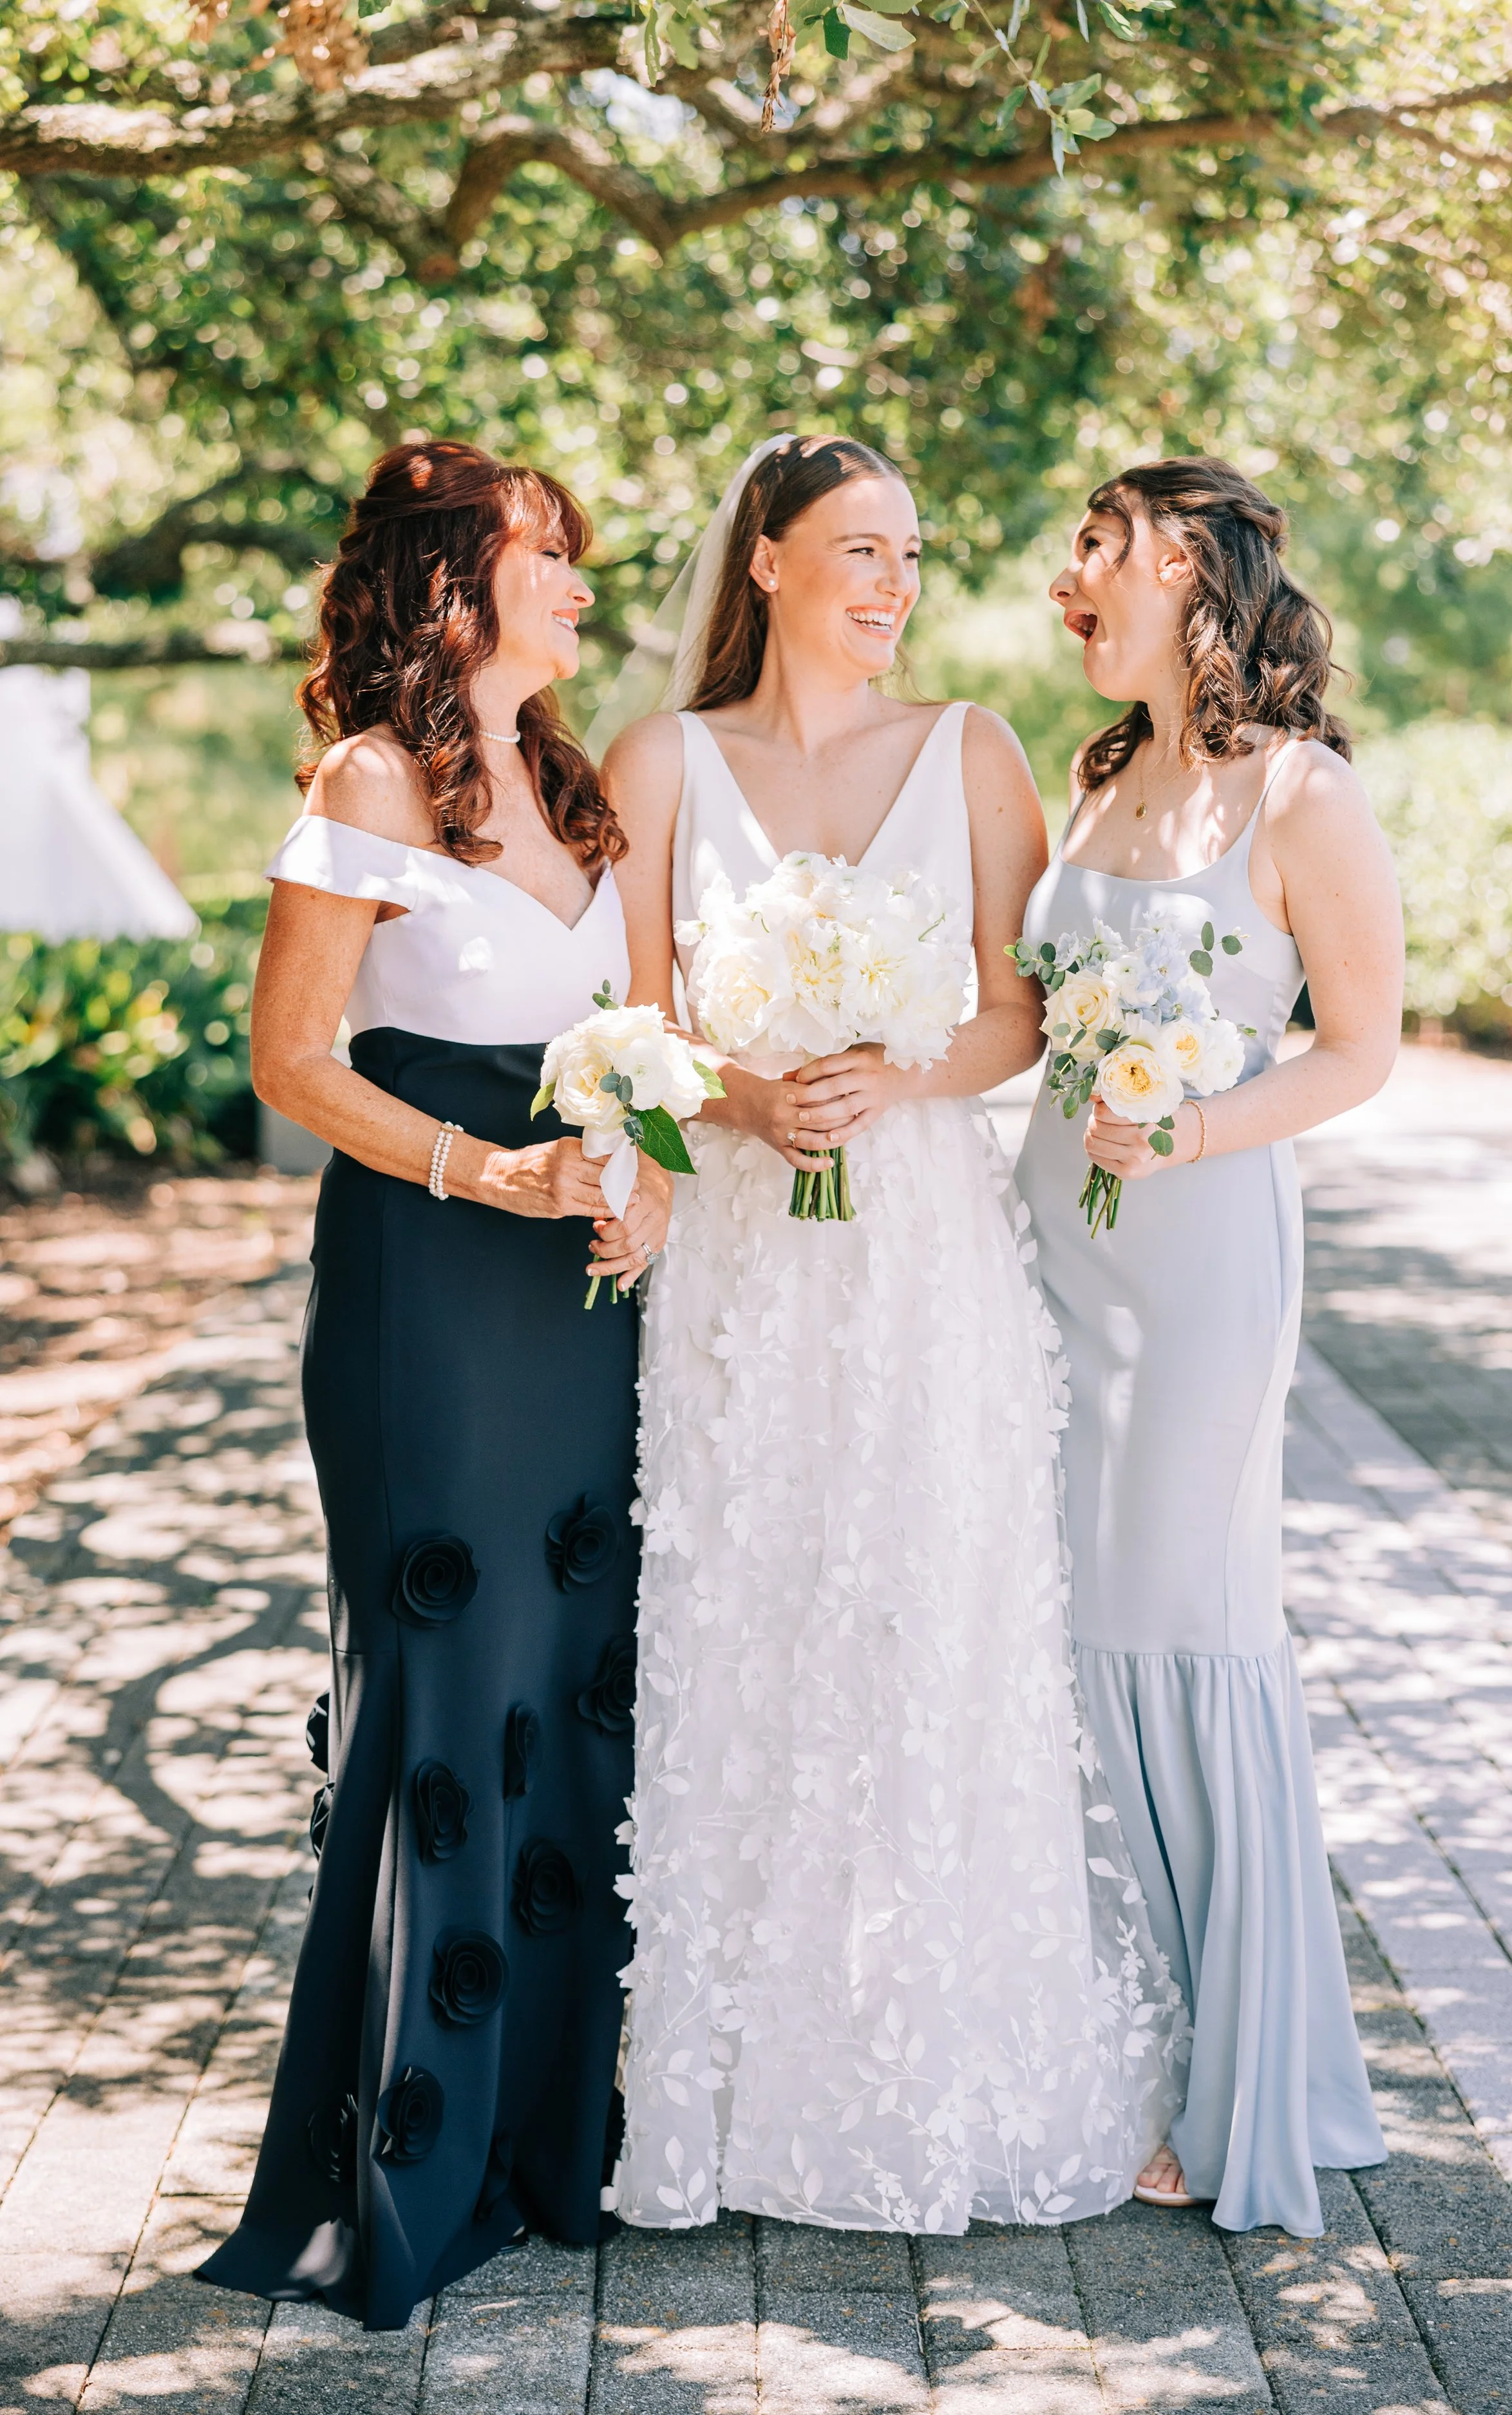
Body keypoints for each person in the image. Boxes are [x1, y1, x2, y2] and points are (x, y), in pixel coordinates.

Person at [598, 433, 1187, 2237]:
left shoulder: (973, 749)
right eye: (859, 548)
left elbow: (1017, 1013)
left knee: (932, 1629)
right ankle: (733, 2092)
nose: (894, 583)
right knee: (749, 1625)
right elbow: (633, 1027)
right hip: (742, 1263)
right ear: (766, 560)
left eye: (910, 553)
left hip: (927, 1252)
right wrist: (742, 1094)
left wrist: (896, 1071)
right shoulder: (662, 763)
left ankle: (943, 2076)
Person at [198, 441, 671, 2330]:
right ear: (454, 584)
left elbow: (632, 1038)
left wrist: (637, 1180)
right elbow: (293, 1060)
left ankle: (547, 2140)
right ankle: (409, 2165)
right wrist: (488, 1173)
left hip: (581, 1291)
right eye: (547, 555)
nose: (580, 583)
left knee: (574, 1677)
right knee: (449, 1682)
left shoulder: (573, 780)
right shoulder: (370, 782)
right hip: (431, 1284)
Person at [1015, 457, 1397, 2236]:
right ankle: (1128, 2033)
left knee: (1183, 1618)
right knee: (1070, 1622)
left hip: (1200, 1261)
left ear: (1184, 564)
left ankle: (1241, 2077)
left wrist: (1188, 1128)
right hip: (1049, 1251)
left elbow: (1358, 1051)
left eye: (1095, 547)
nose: (1065, 582)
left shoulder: (1301, 792)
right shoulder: (1100, 776)